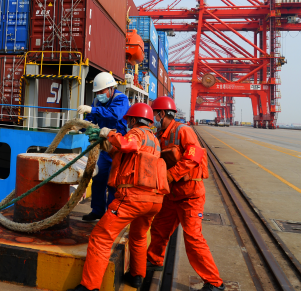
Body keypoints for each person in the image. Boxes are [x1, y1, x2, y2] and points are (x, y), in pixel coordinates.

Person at [68, 103, 168, 291]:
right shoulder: (154, 140)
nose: (128, 124)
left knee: (101, 237)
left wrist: (108, 133)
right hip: (154, 200)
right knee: (138, 236)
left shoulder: (137, 133)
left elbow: (126, 144)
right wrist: (106, 145)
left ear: (133, 120)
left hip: (133, 197)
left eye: (129, 121)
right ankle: (137, 276)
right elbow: (128, 155)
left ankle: (90, 287)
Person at [146, 97, 225, 291]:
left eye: (154, 115)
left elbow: (194, 156)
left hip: (190, 196)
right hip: (172, 195)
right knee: (159, 228)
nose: (152, 119)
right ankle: (154, 261)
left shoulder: (183, 131)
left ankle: (215, 282)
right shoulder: (161, 134)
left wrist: (171, 175)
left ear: (162, 114)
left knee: (193, 238)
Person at [77, 72, 129, 222]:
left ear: (111, 89)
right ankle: (98, 210)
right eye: (97, 92)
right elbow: (91, 120)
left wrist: (91, 109)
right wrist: (78, 126)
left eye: (102, 91)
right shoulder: (97, 102)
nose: (99, 95)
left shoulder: (121, 99)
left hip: (117, 148)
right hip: (104, 147)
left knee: (113, 182)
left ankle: (111, 214)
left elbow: (113, 115)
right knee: (99, 178)